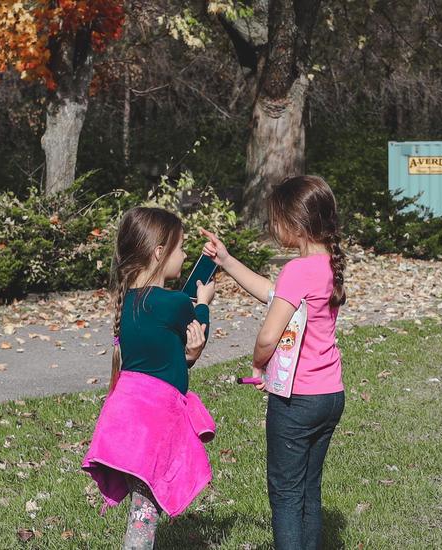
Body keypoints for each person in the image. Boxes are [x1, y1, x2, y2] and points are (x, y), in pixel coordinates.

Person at [200, 175, 349, 550]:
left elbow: (268, 336)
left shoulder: (297, 271)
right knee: (308, 491)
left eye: (276, 219)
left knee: (285, 494)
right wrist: (227, 261)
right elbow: (272, 294)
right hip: (330, 396)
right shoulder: (327, 265)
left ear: (295, 223)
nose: (272, 226)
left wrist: (258, 364)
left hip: (296, 402)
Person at [80, 207, 216, 550]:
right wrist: (203, 304)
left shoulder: (128, 301)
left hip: (125, 418)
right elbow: (197, 329)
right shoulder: (174, 303)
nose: (184, 255)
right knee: (144, 510)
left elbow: (166, 356)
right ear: (159, 253)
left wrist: (189, 357)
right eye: (180, 247)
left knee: (142, 502)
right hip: (152, 424)